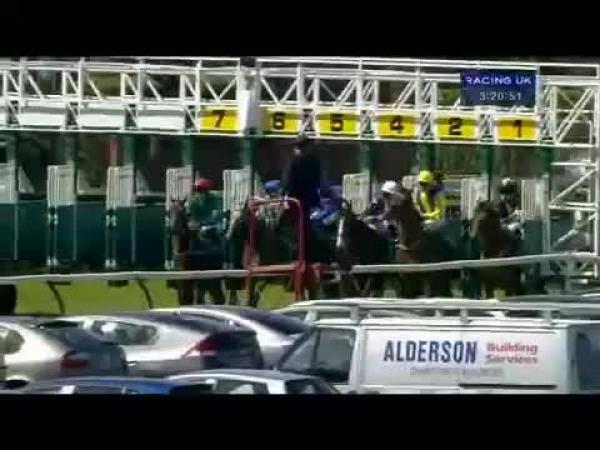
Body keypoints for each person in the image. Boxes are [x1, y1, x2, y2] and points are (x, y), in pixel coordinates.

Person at [282, 136, 322, 262]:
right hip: (300, 202)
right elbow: (288, 183)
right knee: (300, 229)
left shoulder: (305, 162)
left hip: (303, 201)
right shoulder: (298, 162)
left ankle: (302, 253)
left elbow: (288, 182)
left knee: (303, 229)